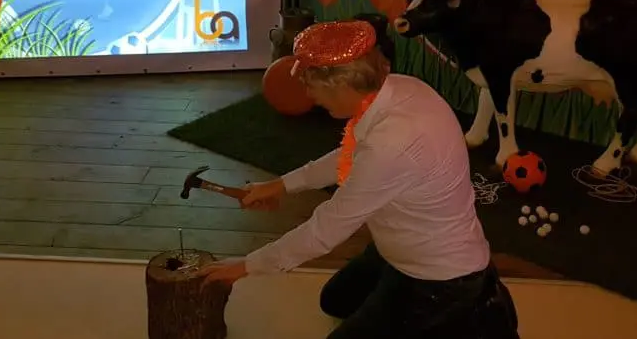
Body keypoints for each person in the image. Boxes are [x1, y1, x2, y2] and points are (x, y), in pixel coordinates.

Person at [198, 20, 519, 338]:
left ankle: (478, 307)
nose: (308, 95)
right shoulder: (398, 90)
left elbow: (326, 228)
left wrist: (246, 266)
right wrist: (280, 185)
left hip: (438, 277)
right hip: (400, 249)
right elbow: (352, 155)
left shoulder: (393, 142)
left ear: (339, 85)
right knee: (335, 301)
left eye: (311, 86)